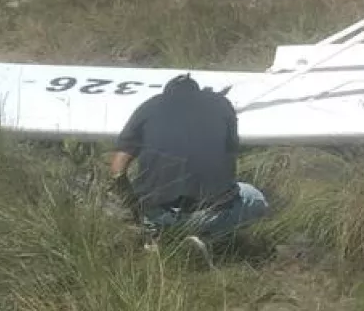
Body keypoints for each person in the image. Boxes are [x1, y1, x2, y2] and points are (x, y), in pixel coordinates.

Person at [109, 74, 269, 257]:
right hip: (209, 212)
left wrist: (133, 207)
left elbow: (117, 169)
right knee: (255, 198)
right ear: (197, 90)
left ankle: (161, 236)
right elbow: (231, 151)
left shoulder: (147, 107)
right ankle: (208, 238)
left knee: (154, 212)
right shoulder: (221, 103)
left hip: (157, 212)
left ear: (166, 93)